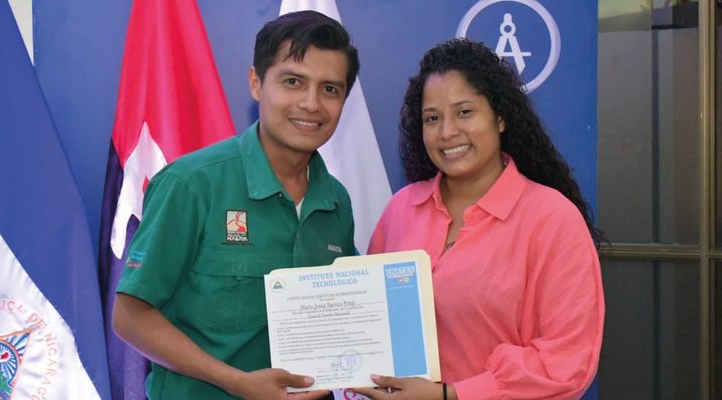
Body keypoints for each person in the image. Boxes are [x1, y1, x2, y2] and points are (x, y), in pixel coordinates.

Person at [112, 10, 359, 400]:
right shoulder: (191, 184)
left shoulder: (336, 201)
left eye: (330, 89)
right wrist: (237, 382)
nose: (311, 104)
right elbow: (130, 316)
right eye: (293, 82)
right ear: (257, 83)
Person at [354, 38, 604, 400]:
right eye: (432, 118)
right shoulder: (401, 209)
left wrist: (450, 395)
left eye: (465, 112)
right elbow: (368, 321)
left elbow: (566, 362)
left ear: (500, 117)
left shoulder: (552, 219)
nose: (447, 132)